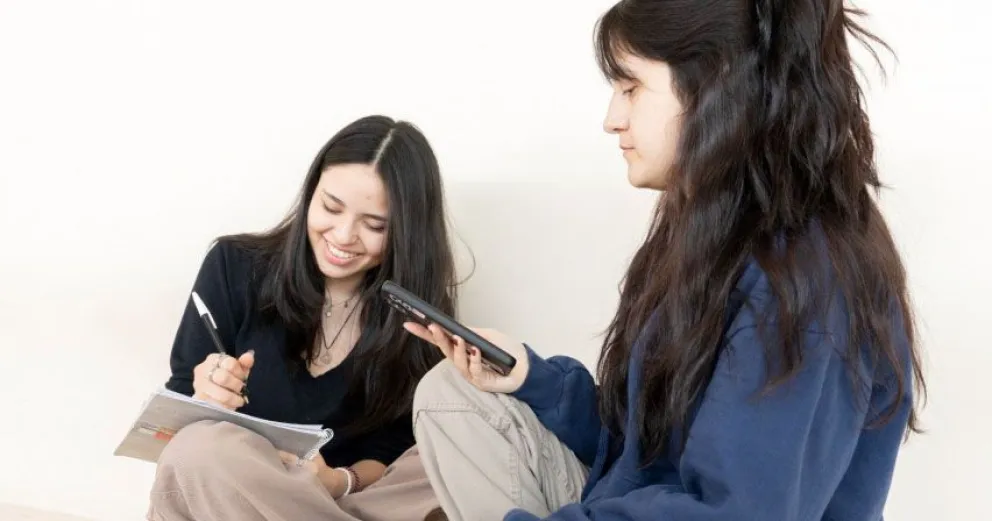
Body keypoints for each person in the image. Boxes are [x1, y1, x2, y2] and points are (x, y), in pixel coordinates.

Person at [408, 1, 927, 520]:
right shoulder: (716, 235)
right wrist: (531, 379)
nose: (613, 120)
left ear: (714, 86)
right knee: (453, 394)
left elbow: (735, 513)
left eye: (631, 89)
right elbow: (642, 450)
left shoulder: (802, 283)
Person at [149, 114, 455, 521]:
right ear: (311, 193)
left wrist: (337, 482)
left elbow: (395, 447)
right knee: (197, 449)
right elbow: (179, 409)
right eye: (331, 207)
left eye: (375, 225)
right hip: (239, 497)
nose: (343, 236)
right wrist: (205, 395)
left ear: (406, 231)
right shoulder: (234, 265)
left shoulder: (417, 315)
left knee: (454, 450)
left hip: (347, 500)